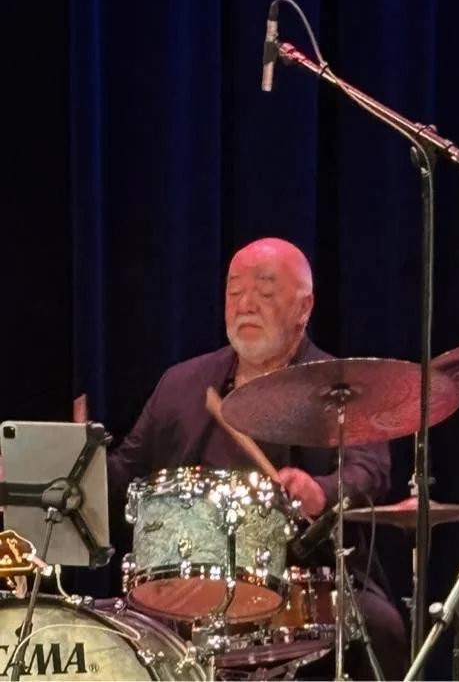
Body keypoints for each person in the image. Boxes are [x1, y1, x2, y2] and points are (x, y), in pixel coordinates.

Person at [107, 237, 408, 680]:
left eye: (265, 292)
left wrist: (320, 490)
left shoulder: (341, 387)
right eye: (234, 292)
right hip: (187, 585)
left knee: (382, 628)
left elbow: (367, 472)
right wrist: (69, 466)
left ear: (304, 308)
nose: (245, 304)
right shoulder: (182, 384)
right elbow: (125, 473)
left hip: (309, 579)